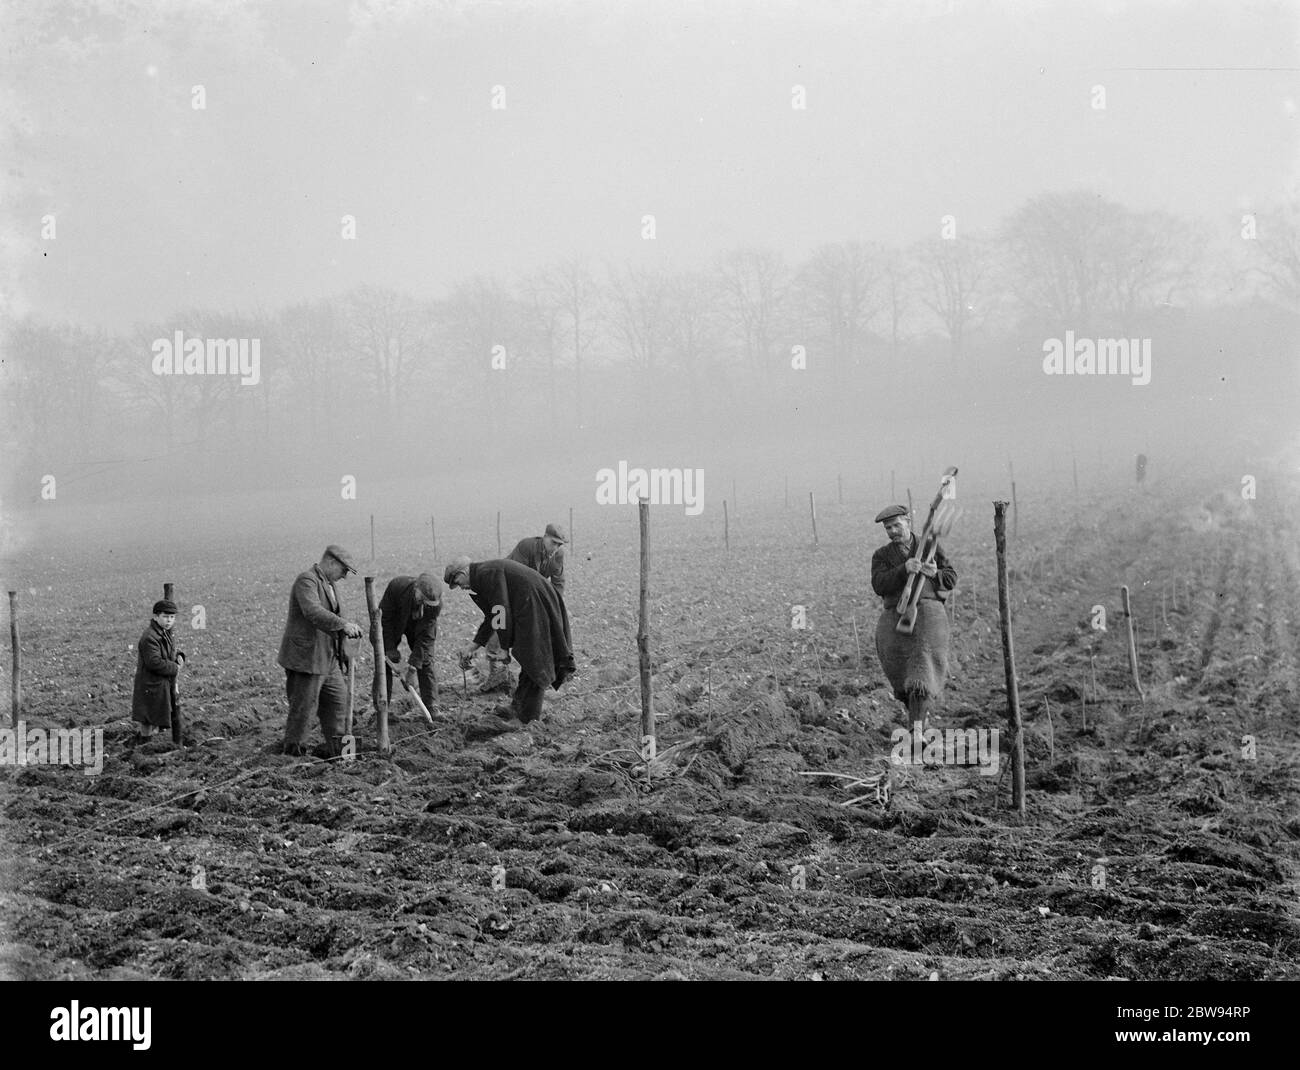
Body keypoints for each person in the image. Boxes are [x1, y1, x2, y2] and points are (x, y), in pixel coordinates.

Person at [444, 555, 575, 727]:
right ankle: (517, 707)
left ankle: (528, 719)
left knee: (535, 661)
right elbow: (493, 616)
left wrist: (504, 647)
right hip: (530, 605)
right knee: (528, 658)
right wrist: (473, 646)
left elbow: (501, 609)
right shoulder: (483, 574)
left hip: (535, 605)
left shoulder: (486, 574)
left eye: (458, 583)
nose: (461, 588)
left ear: (462, 572)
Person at [870, 505, 957, 728]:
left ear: (908, 522)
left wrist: (935, 574)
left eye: (897, 525)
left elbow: (951, 578)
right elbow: (879, 585)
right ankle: (919, 721)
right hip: (895, 619)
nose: (892, 531)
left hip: (928, 617)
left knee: (922, 669)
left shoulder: (929, 546)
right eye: (888, 528)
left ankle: (916, 731)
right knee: (901, 674)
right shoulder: (881, 556)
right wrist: (903, 569)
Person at [277, 545, 364, 757]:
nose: (344, 576)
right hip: (306, 660)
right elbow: (313, 612)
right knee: (303, 712)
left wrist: (345, 654)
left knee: (340, 705)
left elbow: (335, 624)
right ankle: (293, 757)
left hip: (329, 659)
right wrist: (343, 624)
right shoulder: (306, 581)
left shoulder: (331, 585)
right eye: (344, 570)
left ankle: (342, 754)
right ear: (331, 562)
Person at [475, 522, 569, 694]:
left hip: (530, 598)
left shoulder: (558, 556)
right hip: (506, 592)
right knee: (499, 628)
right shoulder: (527, 547)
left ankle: (541, 675)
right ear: (545, 537)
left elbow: (558, 582)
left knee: (539, 634)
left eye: (559, 544)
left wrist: (552, 606)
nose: (556, 547)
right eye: (553, 542)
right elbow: (517, 578)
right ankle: (497, 675)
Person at [380, 572, 442, 717]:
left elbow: (426, 638)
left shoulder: (435, 604)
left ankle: (432, 706)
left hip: (418, 627)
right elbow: (386, 620)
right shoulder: (397, 587)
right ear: (416, 590)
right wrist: (390, 648)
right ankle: (382, 708)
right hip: (395, 622)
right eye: (423, 600)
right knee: (383, 662)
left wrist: (412, 669)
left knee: (425, 659)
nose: (426, 604)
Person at [132, 599, 185, 740]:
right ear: (156, 616)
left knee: (154, 716)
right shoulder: (150, 637)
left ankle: (148, 742)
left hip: (158, 683)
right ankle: (144, 745)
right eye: (165, 617)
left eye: (172, 617)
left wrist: (179, 656)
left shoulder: (163, 632)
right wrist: (175, 667)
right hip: (150, 683)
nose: (169, 620)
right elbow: (154, 662)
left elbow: (168, 651)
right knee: (148, 718)